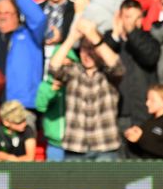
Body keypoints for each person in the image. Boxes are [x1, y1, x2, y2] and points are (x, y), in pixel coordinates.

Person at [49, 19, 125, 161]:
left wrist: (94, 36)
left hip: (105, 145)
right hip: (75, 146)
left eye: (92, 48)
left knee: (107, 184)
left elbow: (118, 67)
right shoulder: (73, 71)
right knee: (75, 184)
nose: (87, 54)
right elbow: (53, 68)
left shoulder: (108, 73)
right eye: (84, 48)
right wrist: (72, 38)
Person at [102, 0, 160, 157]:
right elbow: (101, 61)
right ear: (118, 18)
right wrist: (114, 35)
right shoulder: (109, 41)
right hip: (116, 115)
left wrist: (132, 33)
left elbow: (149, 57)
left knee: (140, 170)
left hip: (142, 114)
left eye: (136, 18)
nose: (131, 22)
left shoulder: (148, 39)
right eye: (127, 17)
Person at [35, 46, 78, 162]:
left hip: (76, 143)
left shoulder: (78, 85)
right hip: (55, 143)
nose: (63, 71)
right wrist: (52, 90)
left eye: (67, 66)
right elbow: (41, 106)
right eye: (60, 67)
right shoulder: (45, 85)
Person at [124, 84, 163, 159]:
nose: (147, 103)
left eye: (152, 100)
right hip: (150, 167)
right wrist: (132, 140)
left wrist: (141, 138)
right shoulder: (148, 122)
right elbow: (141, 151)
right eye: (147, 99)